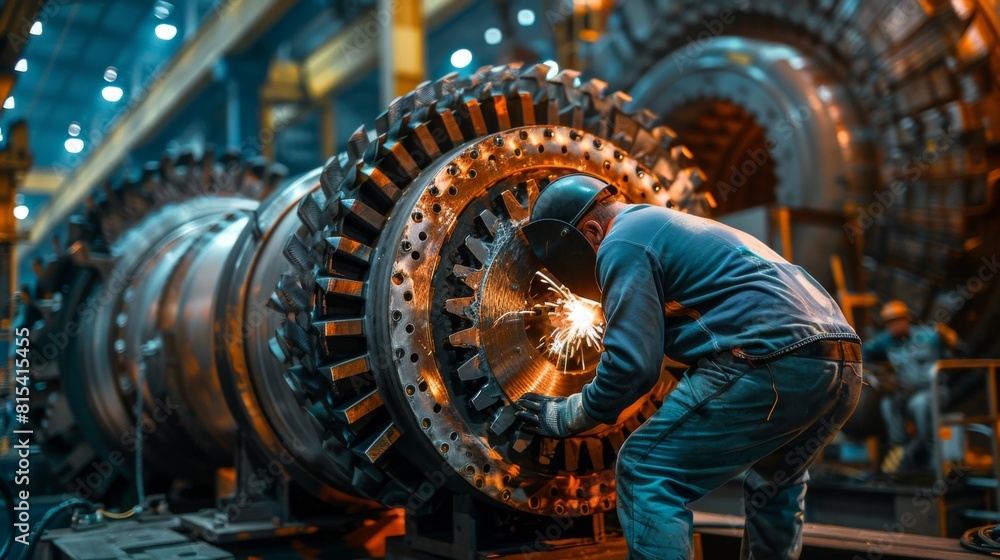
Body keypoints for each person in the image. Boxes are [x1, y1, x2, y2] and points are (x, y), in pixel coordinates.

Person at [514, 174, 863, 560]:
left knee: (646, 470)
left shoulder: (621, 241)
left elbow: (631, 367)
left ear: (591, 232)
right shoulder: (664, 225)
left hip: (771, 360)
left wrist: (570, 414)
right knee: (777, 480)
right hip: (843, 363)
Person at [864, 300, 958, 473]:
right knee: (888, 404)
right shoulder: (884, 341)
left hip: (934, 390)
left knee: (918, 405)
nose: (894, 325)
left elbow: (952, 348)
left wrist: (949, 339)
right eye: (889, 322)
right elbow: (864, 353)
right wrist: (880, 374)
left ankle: (930, 457)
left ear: (907, 319)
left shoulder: (929, 336)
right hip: (906, 390)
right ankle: (901, 447)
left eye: (897, 320)